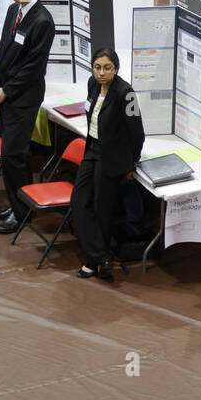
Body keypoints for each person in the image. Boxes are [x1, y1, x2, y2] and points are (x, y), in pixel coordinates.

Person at [0, 0, 56, 234]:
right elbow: (3, 49)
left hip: (23, 97)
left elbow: (32, 68)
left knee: (13, 154)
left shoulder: (42, 21)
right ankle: (19, 202)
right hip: (5, 91)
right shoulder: (13, 10)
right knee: (15, 155)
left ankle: (21, 211)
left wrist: (6, 91)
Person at [70, 48, 145, 279]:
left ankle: (94, 262)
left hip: (112, 158)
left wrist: (132, 163)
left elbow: (137, 133)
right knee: (79, 201)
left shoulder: (126, 93)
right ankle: (102, 255)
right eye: (97, 67)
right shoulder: (92, 84)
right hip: (92, 150)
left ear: (116, 69)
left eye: (107, 68)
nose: (101, 73)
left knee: (102, 210)